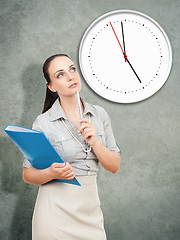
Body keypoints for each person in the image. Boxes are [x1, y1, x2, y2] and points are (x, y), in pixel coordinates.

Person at [23, 53, 121, 240]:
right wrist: (52, 173)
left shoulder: (99, 114)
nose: (70, 76)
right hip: (53, 216)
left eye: (72, 69)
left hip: (90, 215)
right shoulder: (43, 122)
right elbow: (27, 174)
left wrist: (95, 143)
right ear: (51, 87)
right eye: (60, 74)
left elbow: (114, 166)